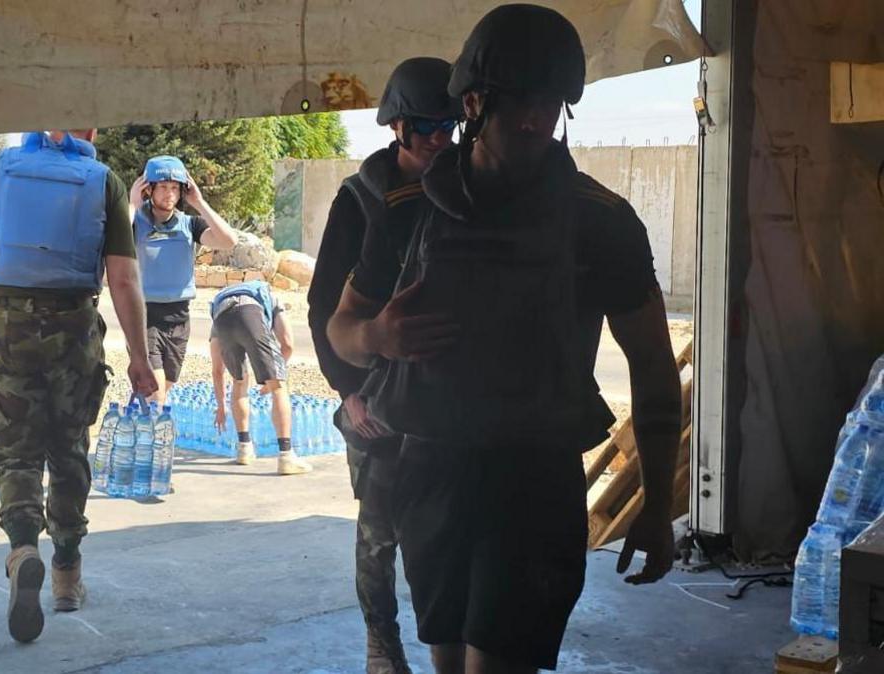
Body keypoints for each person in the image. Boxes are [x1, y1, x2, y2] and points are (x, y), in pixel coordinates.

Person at [327, 5, 683, 673]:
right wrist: (378, 334)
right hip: (429, 472)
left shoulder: (600, 221)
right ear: (473, 102)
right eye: (518, 100)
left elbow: (655, 369)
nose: (532, 119)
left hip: (533, 480)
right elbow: (340, 332)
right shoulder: (405, 215)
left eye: (549, 103)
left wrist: (658, 506)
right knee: (448, 659)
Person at [0, 130, 157, 644]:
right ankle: (68, 571)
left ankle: (23, 547)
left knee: (16, 450)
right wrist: (140, 359)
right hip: (74, 330)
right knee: (69, 449)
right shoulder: (104, 181)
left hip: (8, 327)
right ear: (91, 132)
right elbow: (123, 279)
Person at [308, 56, 459, 674]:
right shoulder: (364, 200)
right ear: (396, 124)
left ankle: (443, 645)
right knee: (379, 534)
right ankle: (382, 644)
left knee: (443, 530)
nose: (436, 137)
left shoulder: (462, 187)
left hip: (443, 395)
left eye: (447, 123)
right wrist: (349, 392)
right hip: (372, 390)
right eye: (423, 123)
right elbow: (324, 307)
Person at [128, 155, 239, 405]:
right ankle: (151, 439)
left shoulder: (190, 224)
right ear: (149, 189)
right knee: (156, 395)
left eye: (175, 188)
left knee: (161, 390)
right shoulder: (136, 222)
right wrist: (133, 204)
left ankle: (135, 423)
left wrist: (199, 203)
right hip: (144, 316)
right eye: (164, 187)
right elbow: (115, 240)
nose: (170, 194)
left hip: (179, 317)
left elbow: (229, 241)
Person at [208, 280, 312, 476]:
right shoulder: (271, 298)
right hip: (251, 312)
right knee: (279, 387)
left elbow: (217, 369)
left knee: (239, 381)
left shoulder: (219, 304)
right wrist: (271, 379)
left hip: (222, 319)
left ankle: (244, 449)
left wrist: (221, 406)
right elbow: (288, 344)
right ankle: (286, 456)